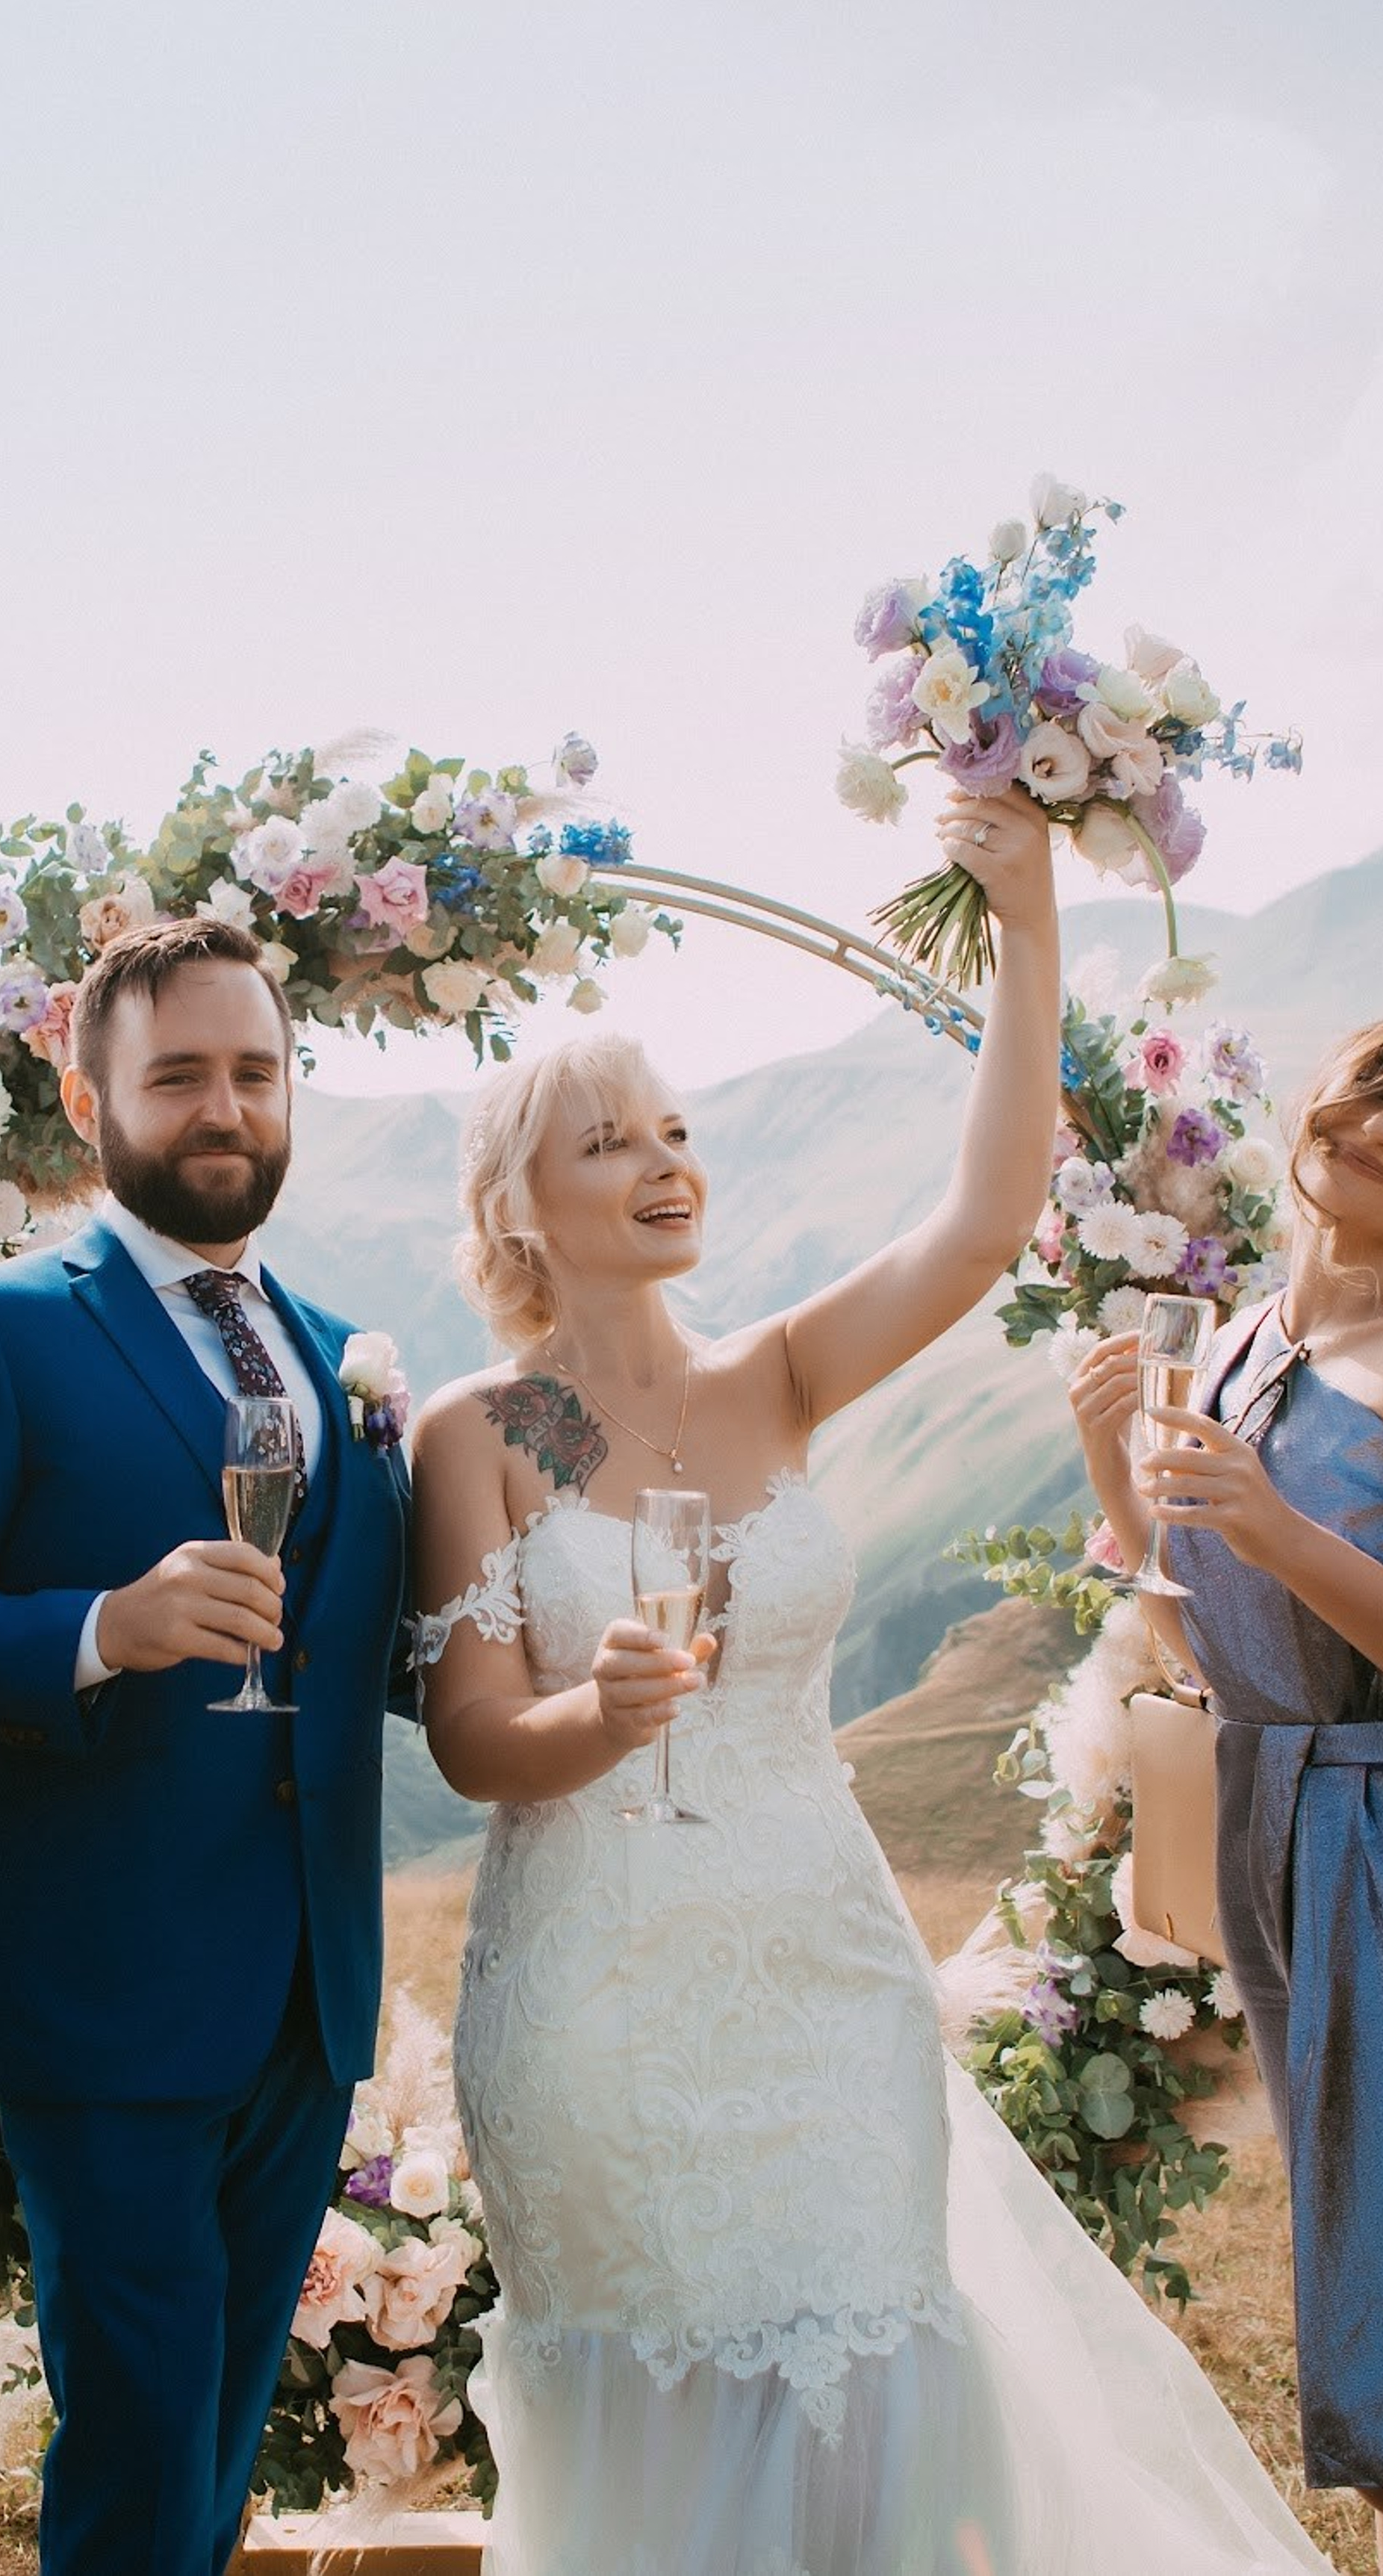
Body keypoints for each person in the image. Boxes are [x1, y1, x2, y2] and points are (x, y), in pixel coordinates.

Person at [413, 786, 1336, 2576]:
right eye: (606, 1143)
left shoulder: (769, 1380)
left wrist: (1023, 911)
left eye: (675, 1130)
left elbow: (986, 1218)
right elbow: (466, 1740)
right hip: (595, 2013)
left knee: (872, 2391)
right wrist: (589, 1719)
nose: (663, 1161)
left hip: (829, 1993)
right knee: (655, 2437)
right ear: (515, 1205)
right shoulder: (496, 1427)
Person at [0, 914, 411, 2576]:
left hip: (308, 2001)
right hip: (101, 1990)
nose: (224, 1106)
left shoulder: (340, 1361)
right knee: (138, 2430)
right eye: (178, 1077)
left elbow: (369, 1637)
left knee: (218, 2437)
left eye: (256, 1071)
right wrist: (102, 1628)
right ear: (90, 1106)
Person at [1072, 1020, 1383, 2560]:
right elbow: (1181, 1633)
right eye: (1372, 1081)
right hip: (1271, 1813)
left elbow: (1278, 1559)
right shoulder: (1246, 1333)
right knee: (1348, 2237)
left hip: (1375, 1829)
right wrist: (1112, 1485)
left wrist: (1265, 1526)